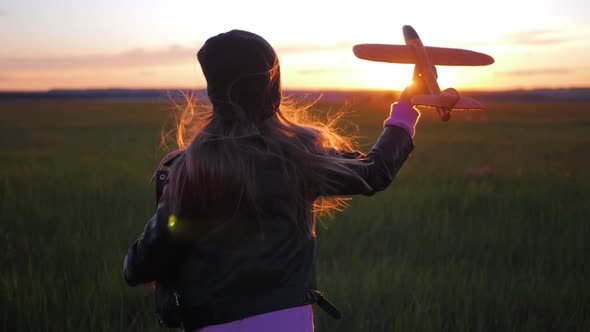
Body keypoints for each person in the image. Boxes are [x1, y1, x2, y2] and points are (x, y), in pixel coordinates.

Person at [123, 29, 425, 331]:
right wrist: (406, 111)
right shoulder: (300, 157)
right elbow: (374, 171)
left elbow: (149, 254)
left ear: (214, 88)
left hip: (213, 323)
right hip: (289, 320)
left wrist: (139, 268)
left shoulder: (193, 168)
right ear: (273, 88)